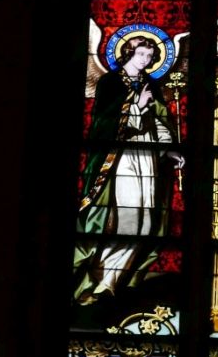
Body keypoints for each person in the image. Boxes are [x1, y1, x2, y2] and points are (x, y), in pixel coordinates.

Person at [73, 37, 184, 306]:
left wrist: (170, 150)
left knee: (146, 223)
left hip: (149, 158)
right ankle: (97, 281)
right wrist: (137, 107)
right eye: (141, 54)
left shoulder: (151, 85)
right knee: (127, 218)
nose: (145, 60)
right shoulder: (110, 83)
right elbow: (102, 123)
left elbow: (159, 121)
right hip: (120, 159)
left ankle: (113, 283)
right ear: (128, 54)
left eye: (150, 56)